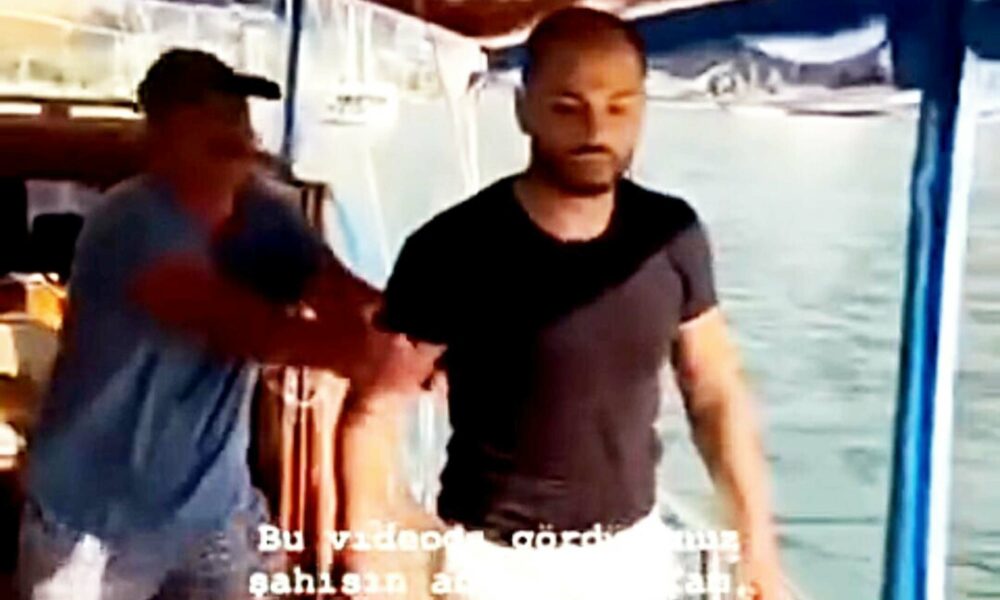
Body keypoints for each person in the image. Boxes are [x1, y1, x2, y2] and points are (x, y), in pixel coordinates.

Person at [375, 8, 785, 600]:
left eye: (619, 107)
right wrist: (387, 534)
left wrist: (755, 544)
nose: (596, 128)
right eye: (568, 107)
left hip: (632, 558)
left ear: (642, 111)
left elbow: (715, 389)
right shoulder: (453, 248)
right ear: (524, 110)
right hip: (489, 563)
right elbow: (376, 408)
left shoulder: (671, 236)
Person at [17, 49, 436, 600]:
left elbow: (344, 297)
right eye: (209, 113)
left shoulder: (263, 214)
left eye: (238, 111)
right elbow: (245, 328)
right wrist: (368, 358)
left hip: (214, 511)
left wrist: (429, 339)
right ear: (160, 133)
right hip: (92, 524)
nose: (233, 126)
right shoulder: (130, 222)